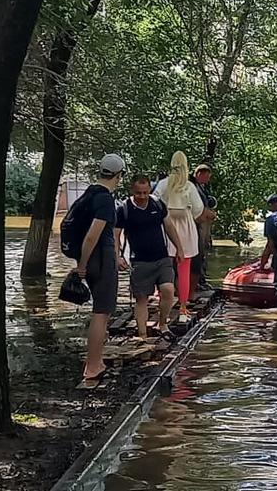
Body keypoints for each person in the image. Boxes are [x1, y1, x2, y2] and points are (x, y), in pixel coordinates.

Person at [115, 175, 185, 341]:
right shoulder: (124, 209)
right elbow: (115, 235)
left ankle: (163, 324)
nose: (142, 196)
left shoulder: (157, 204)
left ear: (149, 190)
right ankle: (142, 335)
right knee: (141, 299)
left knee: (168, 290)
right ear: (132, 190)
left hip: (162, 257)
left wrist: (179, 248)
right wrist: (117, 256)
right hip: (139, 261)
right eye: (139, 193)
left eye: (145, 192)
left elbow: (169, 226)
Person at [77, 154, 125, 382]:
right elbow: (91, 236)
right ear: (119, 175)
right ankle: (93, 365)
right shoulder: (105, 199)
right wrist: (82, 265)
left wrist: (81, 262)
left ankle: (96, 360)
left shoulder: (88, 194)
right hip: (102, 258)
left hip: (92, 259)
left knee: (100, 310)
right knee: (101, 312)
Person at [153, 151, 205, 316]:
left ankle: (162, 301)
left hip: (166, 227)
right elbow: (198, 209)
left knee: (165, 268)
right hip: (186, 229)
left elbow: (153, 202)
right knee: (184, 269)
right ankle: (183, 305)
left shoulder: (163, 184)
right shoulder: (189, 186)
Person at [189, 164, 217, 292]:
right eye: (206, 177)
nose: (208, 180)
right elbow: (196, 207)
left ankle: (201, 280)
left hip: (203, 224)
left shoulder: (201, 187)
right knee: (198, 253)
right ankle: (197, 282)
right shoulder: (192, 186)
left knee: (204, 250)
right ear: (199, 173)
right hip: (197, 224)